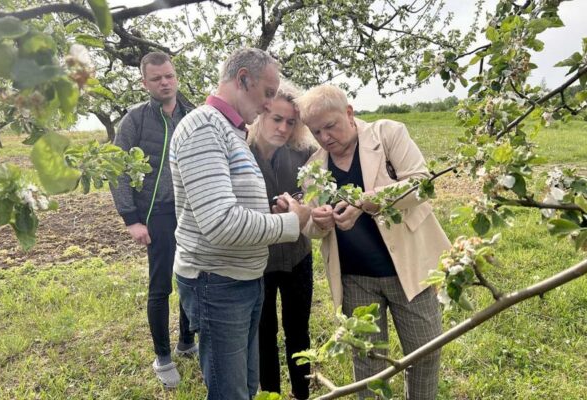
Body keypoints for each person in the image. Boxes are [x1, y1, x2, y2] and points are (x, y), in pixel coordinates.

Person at [169, 48, 311, 400]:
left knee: (247, 388)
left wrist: (274, 216)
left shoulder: (231, 132)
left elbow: (231, 208)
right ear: (242, 78)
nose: (268, 106)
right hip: (217, 284)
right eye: (266, 93)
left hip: (241, 280)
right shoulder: (203, 128)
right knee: (230, 392)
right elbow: (220, 223)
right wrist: (292, 223)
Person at [294, 85, 451, 400]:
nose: (325, 137)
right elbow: (312, 228)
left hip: (408, 269)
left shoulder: (388, 134)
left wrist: (367, 200)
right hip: (355, 280)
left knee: (424, 352)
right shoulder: (313, 168)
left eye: (331, 126)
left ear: (349, 113)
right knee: (367, 362)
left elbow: (421, 184)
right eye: (316, 131)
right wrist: (318, 222)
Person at [110, 52, 197, 389]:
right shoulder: (135, 120)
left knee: (192, 276)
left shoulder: (192, 115)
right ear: (145, 83)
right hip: (156, 213)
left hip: (190, 212)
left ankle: (187, 341)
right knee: (161, 286)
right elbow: (116, 170)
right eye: (157, 78)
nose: (164, 82)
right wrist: (131, 219)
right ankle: (163, 356)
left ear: (176, 77)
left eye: (169, 76)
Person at [247, 81, 317, 400]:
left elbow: (319, 192)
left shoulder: (304, 152)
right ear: (261, 113)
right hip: (258, 260)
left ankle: (302, 393)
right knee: (264, 333)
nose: (284, 127)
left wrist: (302, 204)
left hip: (297, 255)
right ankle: (271, 393)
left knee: (298, 330)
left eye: (291, 121)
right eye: (277, 118)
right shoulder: (242, 152)